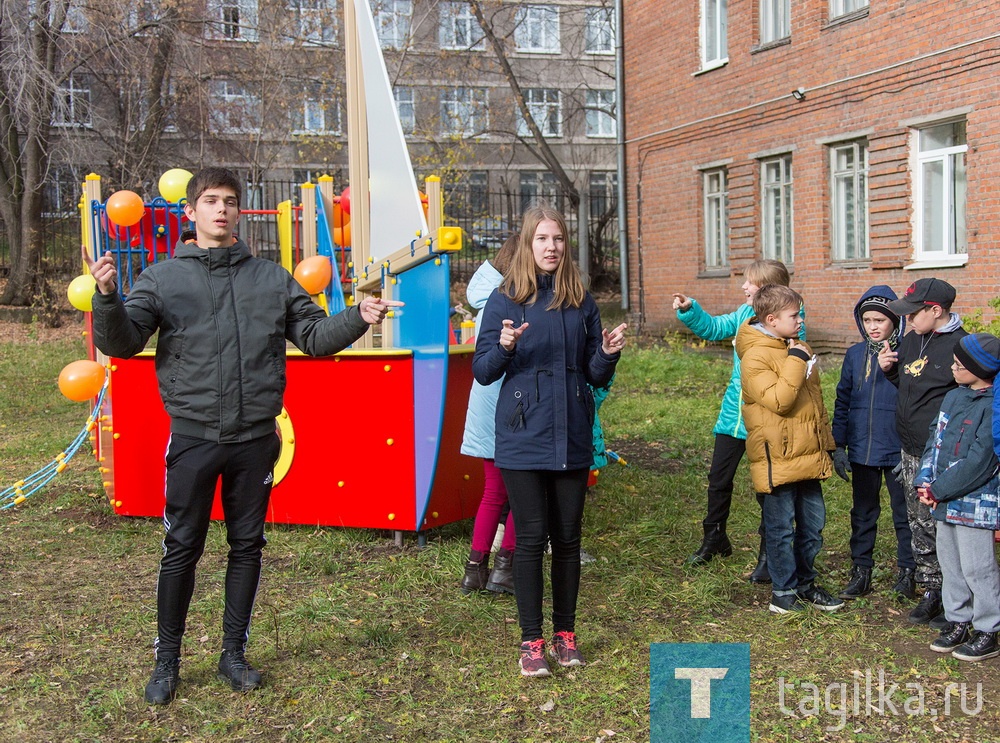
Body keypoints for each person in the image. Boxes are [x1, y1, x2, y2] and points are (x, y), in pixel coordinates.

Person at [85, 167, 402, 705]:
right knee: (181, 547)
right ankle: (167, 662)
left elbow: (315, 337)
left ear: (238, 211)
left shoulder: (271, 279)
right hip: (193, 438)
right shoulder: (163, 279)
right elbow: (121, 342)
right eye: (210, 201)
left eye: (230, 201)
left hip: (255, 438)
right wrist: (109, 296)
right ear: (190, 212)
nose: (221, 210)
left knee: (246, 546)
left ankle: (233, 654)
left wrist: (358, 315)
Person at [473, 205, 626, 677]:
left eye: (558, 239)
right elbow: (482, 372)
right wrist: (504, 347)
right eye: (542, 239)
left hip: (572, 436)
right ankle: (531, 640)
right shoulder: (504, 300)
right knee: (531, 538)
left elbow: (592, 374)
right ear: (527, 244)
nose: (551, 247)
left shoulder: (580, 301)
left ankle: (565, 634)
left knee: (567, 539)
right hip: (522, 437)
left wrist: (606, 353)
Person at [673, 259, 803, 583]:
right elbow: (714, 328)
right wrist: (691, 310)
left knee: (767, 488)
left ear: (771, 291)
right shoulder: (745, 316)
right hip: (733, 417)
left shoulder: (791, 326)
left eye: (751, 283)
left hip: (767, 420)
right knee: (718, 479)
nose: (744, 287)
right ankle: (714, 539)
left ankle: (768, 555)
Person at [735, 284, 843, 614]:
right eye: (794, 315)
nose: (800, 320)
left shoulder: (796, 347)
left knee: (813, 526)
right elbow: (780, 401)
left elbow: (815, 405)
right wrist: (797, 359)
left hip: (808, 455)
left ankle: (806, 584)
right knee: (781, 530)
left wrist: (830, 447)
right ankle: (783, 593)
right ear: (771, 319)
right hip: (777, 458)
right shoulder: (755, 357)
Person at [879, 278, 967, 627]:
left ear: (936, 310)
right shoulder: (913, 337)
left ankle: (955, 596)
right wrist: (889, 372)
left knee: (944, 524)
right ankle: (932, 589)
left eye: (913, 313)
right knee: (919, 522)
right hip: (910, 448)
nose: (907, 320)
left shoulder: (963, 346)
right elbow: (911, 384)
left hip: (943, 455)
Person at [917, 334, 1000, 661]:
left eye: (960, 364)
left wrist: (938, 489)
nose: (953, 367)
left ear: (980, 370)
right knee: (951, 564)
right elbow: (933, 440)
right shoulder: (953, 397)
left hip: (975, 504)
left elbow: (980, 461)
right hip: (942, 500)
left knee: (978, 567)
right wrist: (925, 479)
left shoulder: (994, 407)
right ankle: (958, 620)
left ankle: (988, 628)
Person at [832, 287, 916, 600]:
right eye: (867, 320)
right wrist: (838, 445)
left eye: (880, 319)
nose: (873, 326)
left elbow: (916, 403)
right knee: (863, 512)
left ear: (894, 320)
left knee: (903, 513)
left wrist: (910, 448)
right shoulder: (855, 355)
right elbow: (843, 400)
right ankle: (861, 571)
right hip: (862, 449)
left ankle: (908, 572)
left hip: (897, 449)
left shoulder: (908, 353)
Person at [460, 234, 520, 595]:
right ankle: (504, 569)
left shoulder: (486, 302)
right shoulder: (514, 302)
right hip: (511, 409)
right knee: (525, 494)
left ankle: (474, 571)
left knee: (494, 493)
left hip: (485, 408)